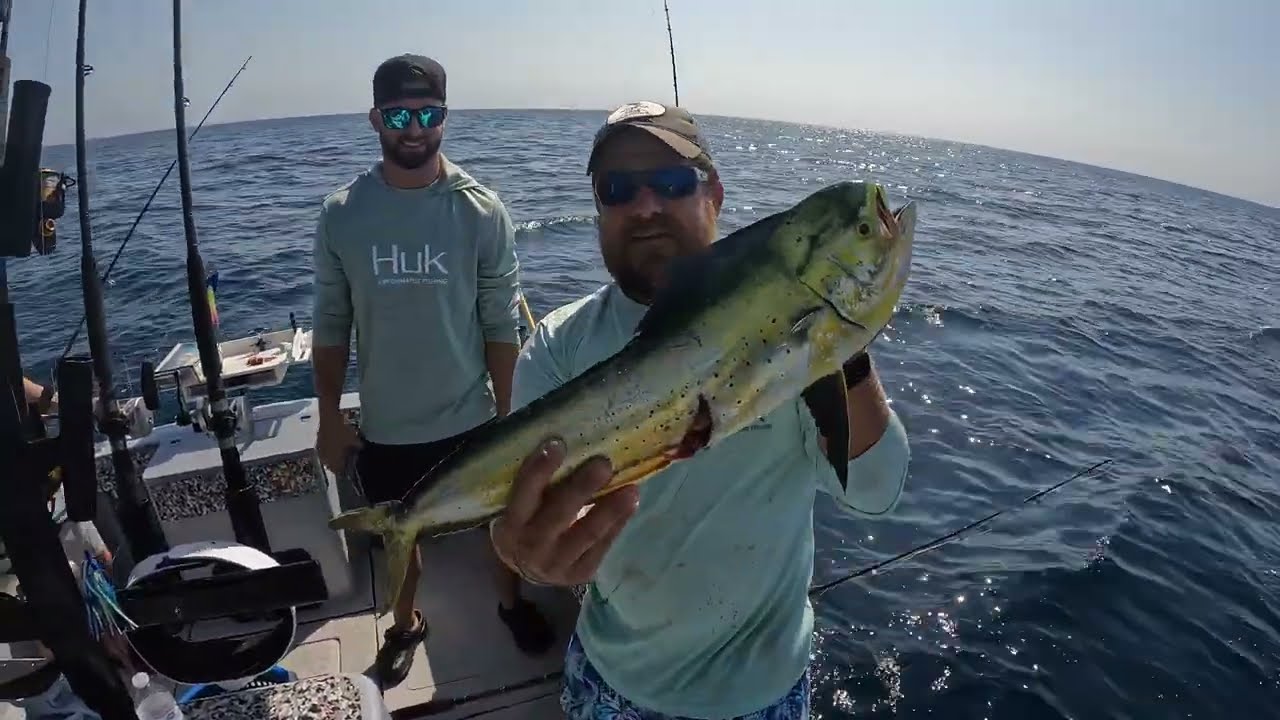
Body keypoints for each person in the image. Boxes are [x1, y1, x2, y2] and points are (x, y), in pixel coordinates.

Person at [488, 102, 913, 719]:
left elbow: (877, 493)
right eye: (618, 189)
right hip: (613, 683)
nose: (645, 206)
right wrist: (522, 552)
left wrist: (838, 352)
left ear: (713, 193)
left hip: (763, 694)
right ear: (598, 208)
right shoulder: (558, 348)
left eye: (671, 182)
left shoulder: (802, 337)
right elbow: (525, 507)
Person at [310, 53, 554, 689]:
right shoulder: (342, 213)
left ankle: (510, 602)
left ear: (445, 117)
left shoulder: (481, 211)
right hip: (388, 423)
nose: (412, 128)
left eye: (427, 113)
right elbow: (332, 325)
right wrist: (330, 418)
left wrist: (511, 419)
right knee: (400, 536)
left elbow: (501, 325)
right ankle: (404, 624)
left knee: (500, 523)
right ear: (374, 119)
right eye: (397, 114)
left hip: (472, 419)